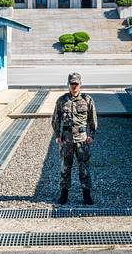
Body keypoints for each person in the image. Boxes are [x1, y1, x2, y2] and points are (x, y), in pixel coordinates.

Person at [51, 72, 98, 205]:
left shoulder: (87, 100)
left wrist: (91, 135)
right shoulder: (62, 100)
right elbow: (56, 119)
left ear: (80, 84)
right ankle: (64, 194)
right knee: (65, 167)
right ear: (68, 85)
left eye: (76, 84)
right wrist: (57, 135)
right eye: (72, 84)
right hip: (66, 139)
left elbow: (93, 119)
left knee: (84, 168)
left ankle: (86, 195)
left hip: (82, 139)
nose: (74, 86)